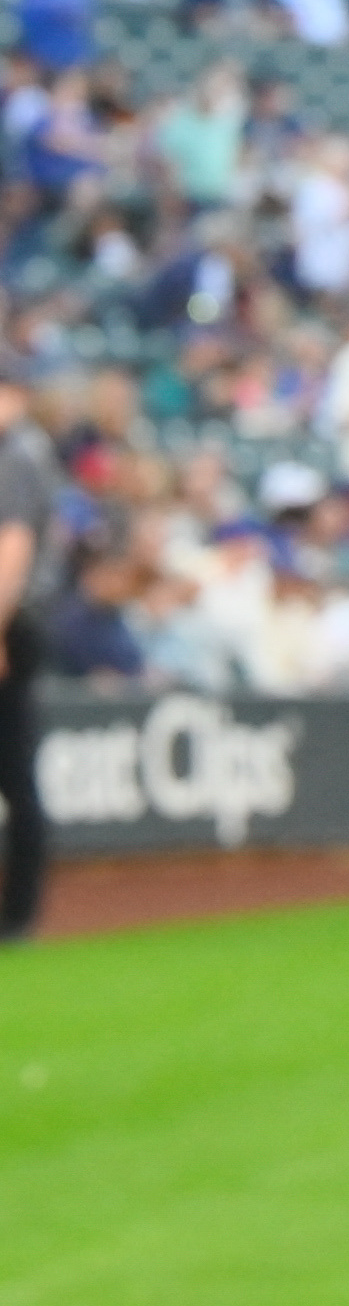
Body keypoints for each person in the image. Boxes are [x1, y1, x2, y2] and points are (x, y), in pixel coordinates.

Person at [0, 362, 53, 943]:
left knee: (13, 772)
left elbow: (12, 552)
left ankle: (19, 915)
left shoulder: (18, 455)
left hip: (10, 626)